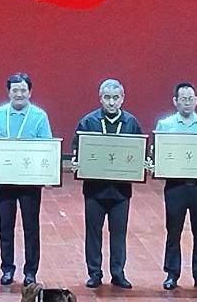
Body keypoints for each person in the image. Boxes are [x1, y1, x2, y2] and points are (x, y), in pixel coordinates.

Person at [72, 78, 142, 290]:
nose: (111, 102)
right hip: (94, 190)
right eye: (107, 97)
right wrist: (76, 162)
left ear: (122, 98)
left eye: (115, 98)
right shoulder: (88, 122)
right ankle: (94, 273)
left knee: (118, 233)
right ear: (100, 98)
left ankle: (118, 273)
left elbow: (138, 153)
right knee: (93, 232)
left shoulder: (131, 123)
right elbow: (77, 151)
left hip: (121, 191)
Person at [0, 72, 53, 286]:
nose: (19, 94)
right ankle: (7, 269)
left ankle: (30, 271)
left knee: (31, 227)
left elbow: (47, 146)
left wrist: (48, 172)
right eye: (15, 90)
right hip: (5, 178)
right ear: (8, 92)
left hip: (30, 180)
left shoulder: (39, 115)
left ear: (30, 92)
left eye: (23, 90)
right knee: (6, 226)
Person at [154, 82, 197, 291]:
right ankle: (172, 274)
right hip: (175, 187)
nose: (187, 102)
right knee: (173, 231)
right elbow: (159, 155)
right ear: (175, 101)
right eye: (183, 99)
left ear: (196, 100)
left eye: (190, 99)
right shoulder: (165, 125)